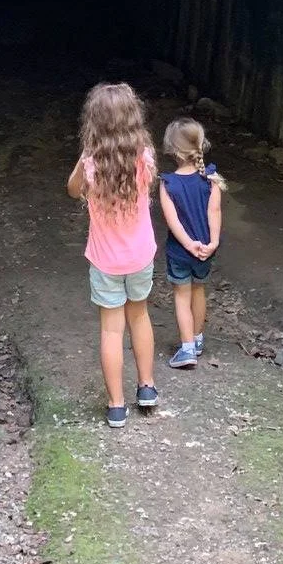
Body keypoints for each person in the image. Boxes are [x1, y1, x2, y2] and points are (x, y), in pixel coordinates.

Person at [66, 81, 159, 427]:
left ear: (94, 123)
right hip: (139, 257)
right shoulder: (144, 158)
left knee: (111, 331)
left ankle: (117, 405)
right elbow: (146, 180)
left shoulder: (91, 165)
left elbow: (73, 190)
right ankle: (147, 387)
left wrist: (86, 156)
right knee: (140, 317)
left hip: (105, 261)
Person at [158, 116, 224, 369]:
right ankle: (197, 340)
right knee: (199, 290)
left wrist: (187, 244)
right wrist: (213, 242)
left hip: (181, 251)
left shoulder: (168, 183)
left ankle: (186, 349)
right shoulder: (210, 178)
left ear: (172, 149)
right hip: (206, 250)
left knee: (181, 295)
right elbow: (214, 212)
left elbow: (172, 220)